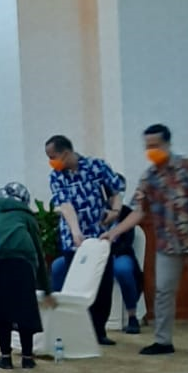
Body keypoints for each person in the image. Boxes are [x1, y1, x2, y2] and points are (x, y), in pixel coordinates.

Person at [102, 124, 188, 355]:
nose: (151, 150)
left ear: (167, 144)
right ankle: (163, 341)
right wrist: (113, 232)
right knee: (163, 291)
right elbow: (139, 211)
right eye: (148, 146)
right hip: (167, 244)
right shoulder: (149, 177)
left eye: (155, 145)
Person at [45, 134, 124, 346]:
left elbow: (116, 190)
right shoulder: (56, 176)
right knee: (79, 284)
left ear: (66, 153)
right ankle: (80, 330)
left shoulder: (97, 166)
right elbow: (65, 206)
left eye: (53, 156)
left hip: (101, 235)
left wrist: (115, 211)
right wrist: (75, 231)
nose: (51, 161)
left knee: (102, 283)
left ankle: (99, 331)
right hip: (73, 239)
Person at [0, 182, 54, 369]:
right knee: (25, 310)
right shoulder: (24, 215)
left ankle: (5, 357)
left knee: (0, 313)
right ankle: (27, 358)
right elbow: (38, 250)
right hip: (21, 262)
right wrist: (46, 289)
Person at [108, 203, 144, 334]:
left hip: (120, 254)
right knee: (58, 266)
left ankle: (132, 316)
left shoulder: (127, 213)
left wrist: (110, 251)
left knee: (123, 269)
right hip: (94, 254)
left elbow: (127, 241)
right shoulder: (92, 208)